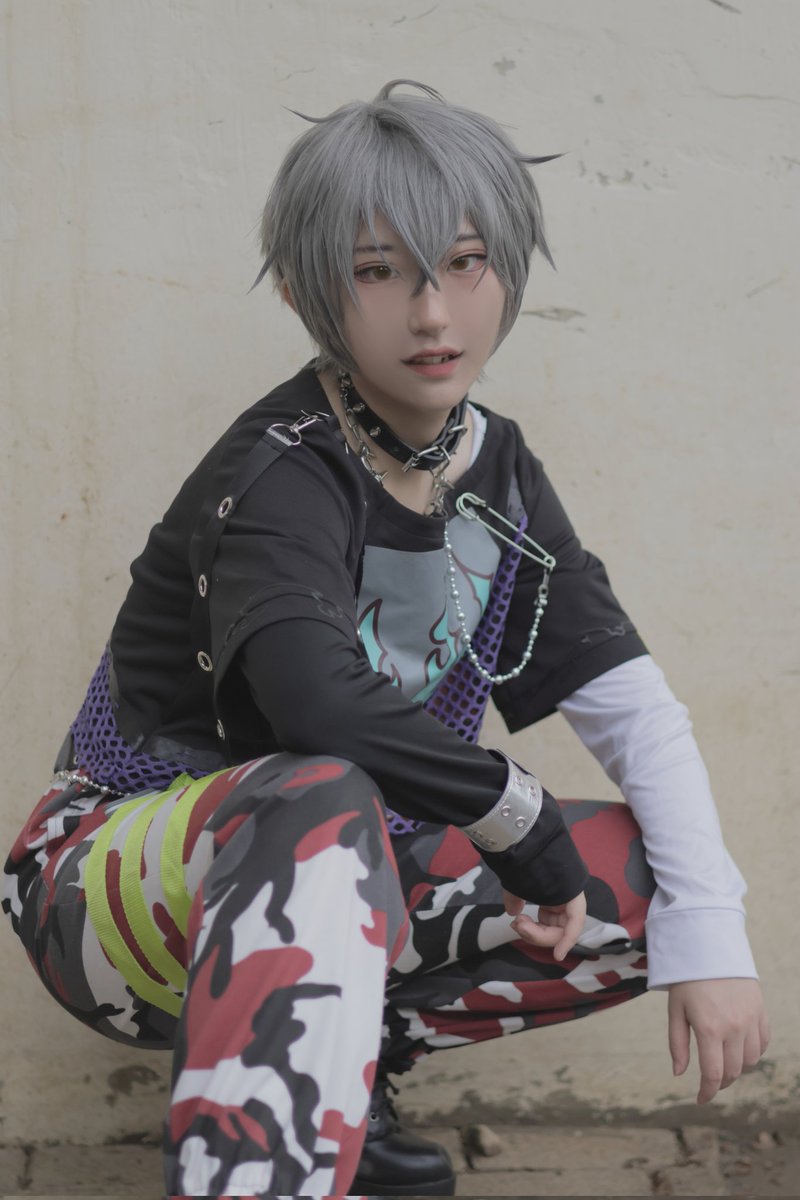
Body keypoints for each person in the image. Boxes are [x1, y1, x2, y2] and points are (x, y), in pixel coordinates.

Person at [3, 79, 769, 1199]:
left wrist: (717, 938)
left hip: (340, 871)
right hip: (114, 889)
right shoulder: (281, 466)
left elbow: (632, 706)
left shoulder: (494, 468)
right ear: (304, 288)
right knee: (315, 796)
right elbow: (314, 703)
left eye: (464, 263)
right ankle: (258, 1162)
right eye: (377, 271)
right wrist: (514, 814)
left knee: (665, 881)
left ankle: (341, 1077)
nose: (432, 314)